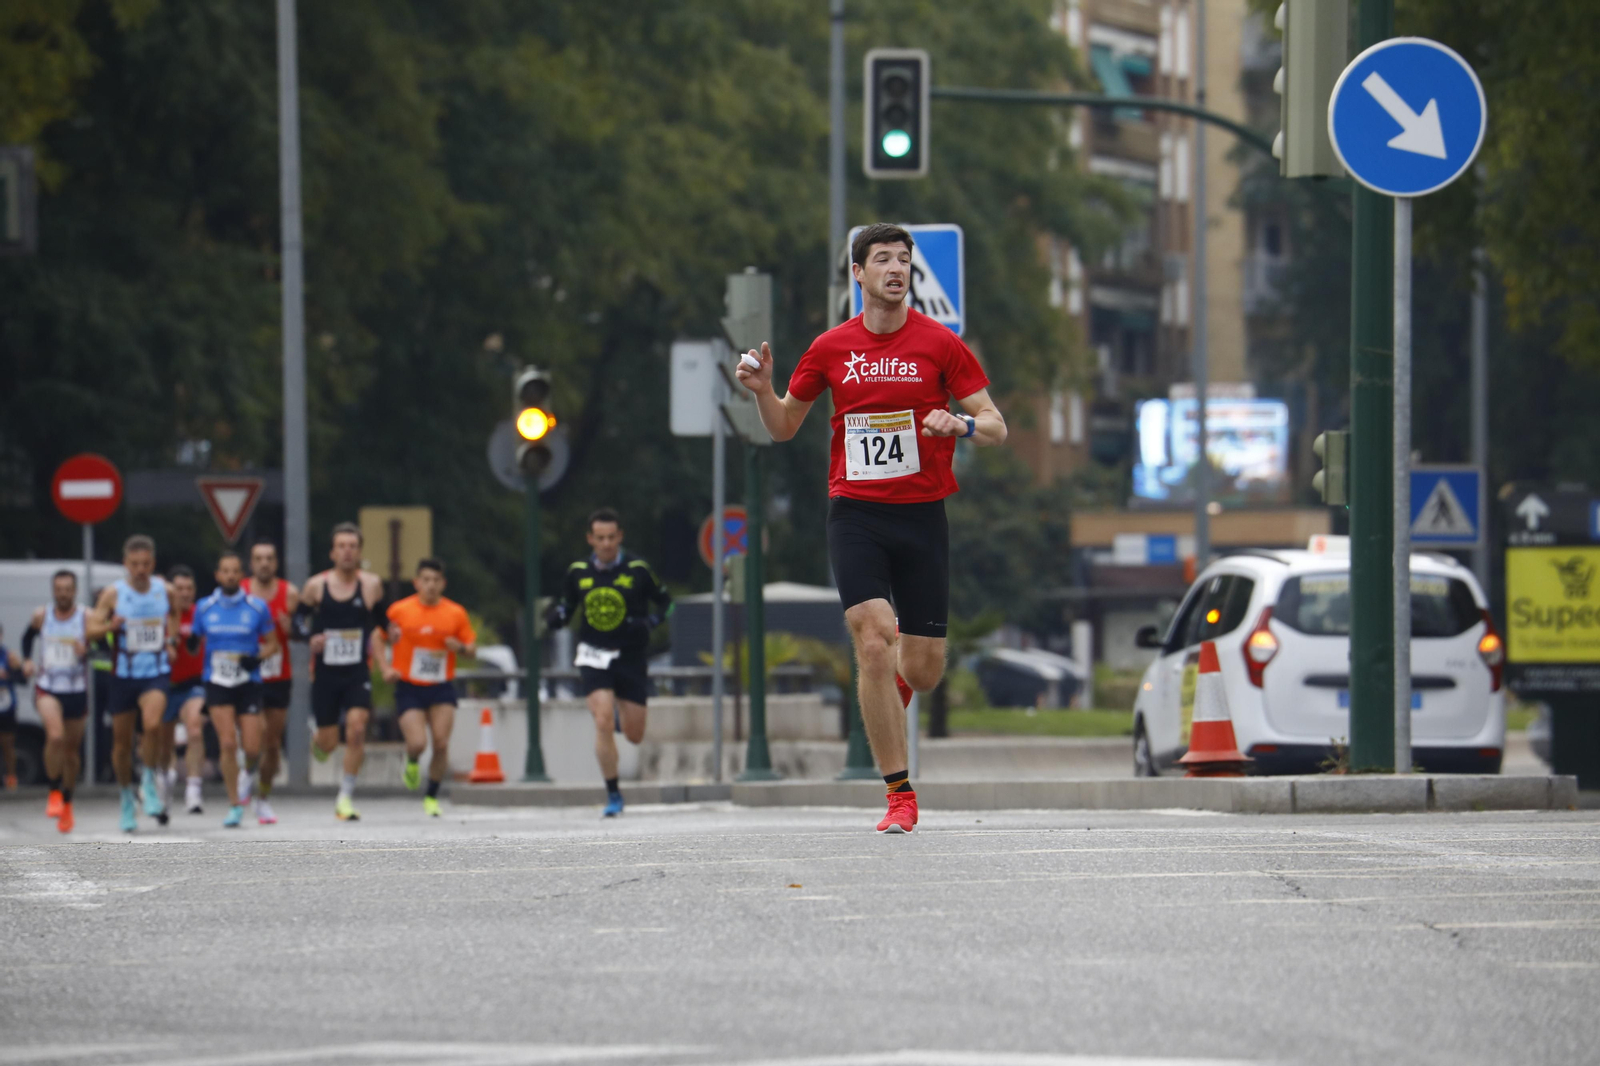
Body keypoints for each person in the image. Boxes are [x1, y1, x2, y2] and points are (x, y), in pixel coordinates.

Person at [735, 222, 1007, 834]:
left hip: (922, 515)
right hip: (855, 512)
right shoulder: (830, 347)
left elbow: (996, 425)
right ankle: (899, 793)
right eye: (882, 259)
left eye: (904, 260)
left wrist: (959, 426)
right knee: (874, 639)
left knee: (925, 669)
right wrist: (761, 391)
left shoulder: (941, 343)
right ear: (857, 274)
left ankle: (892, 695)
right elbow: (783, 426)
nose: (896, 268)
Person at [545, 508, 672, 817]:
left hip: (630, 656)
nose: (605, 544)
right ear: (590, 539)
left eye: (611, 538)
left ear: (620, 537)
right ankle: (614, 794)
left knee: (634, 734)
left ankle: (619, 714)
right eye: (599, 538)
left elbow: (667, 603)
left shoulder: (638, 569)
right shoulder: (577, 571)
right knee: (601, 720)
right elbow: (566, 605)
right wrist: (557, 616)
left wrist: (651, 622)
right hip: (593, 655)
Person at [293, 522, 385, 822]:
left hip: (357, 670)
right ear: (332, 553)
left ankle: (345, 797)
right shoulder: (316, 586)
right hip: (326, 673)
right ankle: (318, 740)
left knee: (357, 729)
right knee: (328, 742)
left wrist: (392, 633)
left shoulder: (371, 585)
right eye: (341, 546)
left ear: (359, 552)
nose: (347, 552)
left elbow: (383, 622)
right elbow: (297, 623)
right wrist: (311, 639)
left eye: (352, 546)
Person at [87, 534, 178, 832]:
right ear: (126, 564)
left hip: (155, 670)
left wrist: (172, 641)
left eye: (146, 564)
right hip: (123, 674)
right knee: (122, 744)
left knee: (153, 725)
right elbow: (90, 630)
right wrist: (109, 626)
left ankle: (149, 782)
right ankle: (127, 796)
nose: (141, 569)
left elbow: (175, 616)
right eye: (135, 564)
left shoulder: (165, 590)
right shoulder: (113, 594)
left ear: (153, 563)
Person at [188, 550, 279, 828]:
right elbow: (193, 640)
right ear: (218, 575)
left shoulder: (257, 607)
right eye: (225, 571)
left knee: (253, 747)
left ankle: (245, 776)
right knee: (228, 743)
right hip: (217, 681)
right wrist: (190, 643)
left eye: (235, 571)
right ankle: (235, 804)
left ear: (242, 575)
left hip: (248, 682)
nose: (230, 575)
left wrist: (258, 657)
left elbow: (273, 644)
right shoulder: (204, 607)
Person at [378, 558, 475, 818]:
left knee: (441, 744)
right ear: (417, 582)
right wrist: (385, 668)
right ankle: (411, 760)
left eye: (436, 581)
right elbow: (377, 637)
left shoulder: (455, 613)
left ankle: (431, 795)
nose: (430, 585)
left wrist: (461, 648)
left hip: (441, 685)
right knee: (418, 743)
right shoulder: (400, 610)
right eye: (426, 580)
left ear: (443, 584)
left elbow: (472, 648)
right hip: (409, 685)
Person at [21, 569, 90, 832]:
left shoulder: (86, 617)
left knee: (71, 753)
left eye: (67, 589)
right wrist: (28, 660)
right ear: (53, 590)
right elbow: (27, 638)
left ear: (74, 591)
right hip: (48, 687)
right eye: (58, 589)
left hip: (76, 689)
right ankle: (53, 791)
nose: (62, 594)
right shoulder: (42, 616)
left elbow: (104, 646)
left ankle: (68, 802)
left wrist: (88, 651)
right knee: (56, 737)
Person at [243, 538, 297, 825]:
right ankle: (242, 778)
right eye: (259, 558)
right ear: (252, 564)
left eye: (269, 558)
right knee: (256, 735)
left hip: (278, 675)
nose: (264, 563)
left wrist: (292, 629)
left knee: (273, 744)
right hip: (247, 676)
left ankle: (262, 796)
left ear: (275, 563)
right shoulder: (239, 592)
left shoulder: (289, 594)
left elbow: (303, 632)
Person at [165, 565, 208, 815]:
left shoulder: (200, 614)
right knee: (162, 739)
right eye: (179, 588)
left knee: (194, 728)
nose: (184, 593)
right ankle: (166, 778)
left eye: (189, 588)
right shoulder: (161, 615)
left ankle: (193, 790)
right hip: (162, 686)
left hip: (192, 684)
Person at [0, 626, 20, 790]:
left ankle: (11, 776)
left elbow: (21, 679)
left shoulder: (8, 655)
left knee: (7, 743)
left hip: (6, 705)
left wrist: (13, 671)